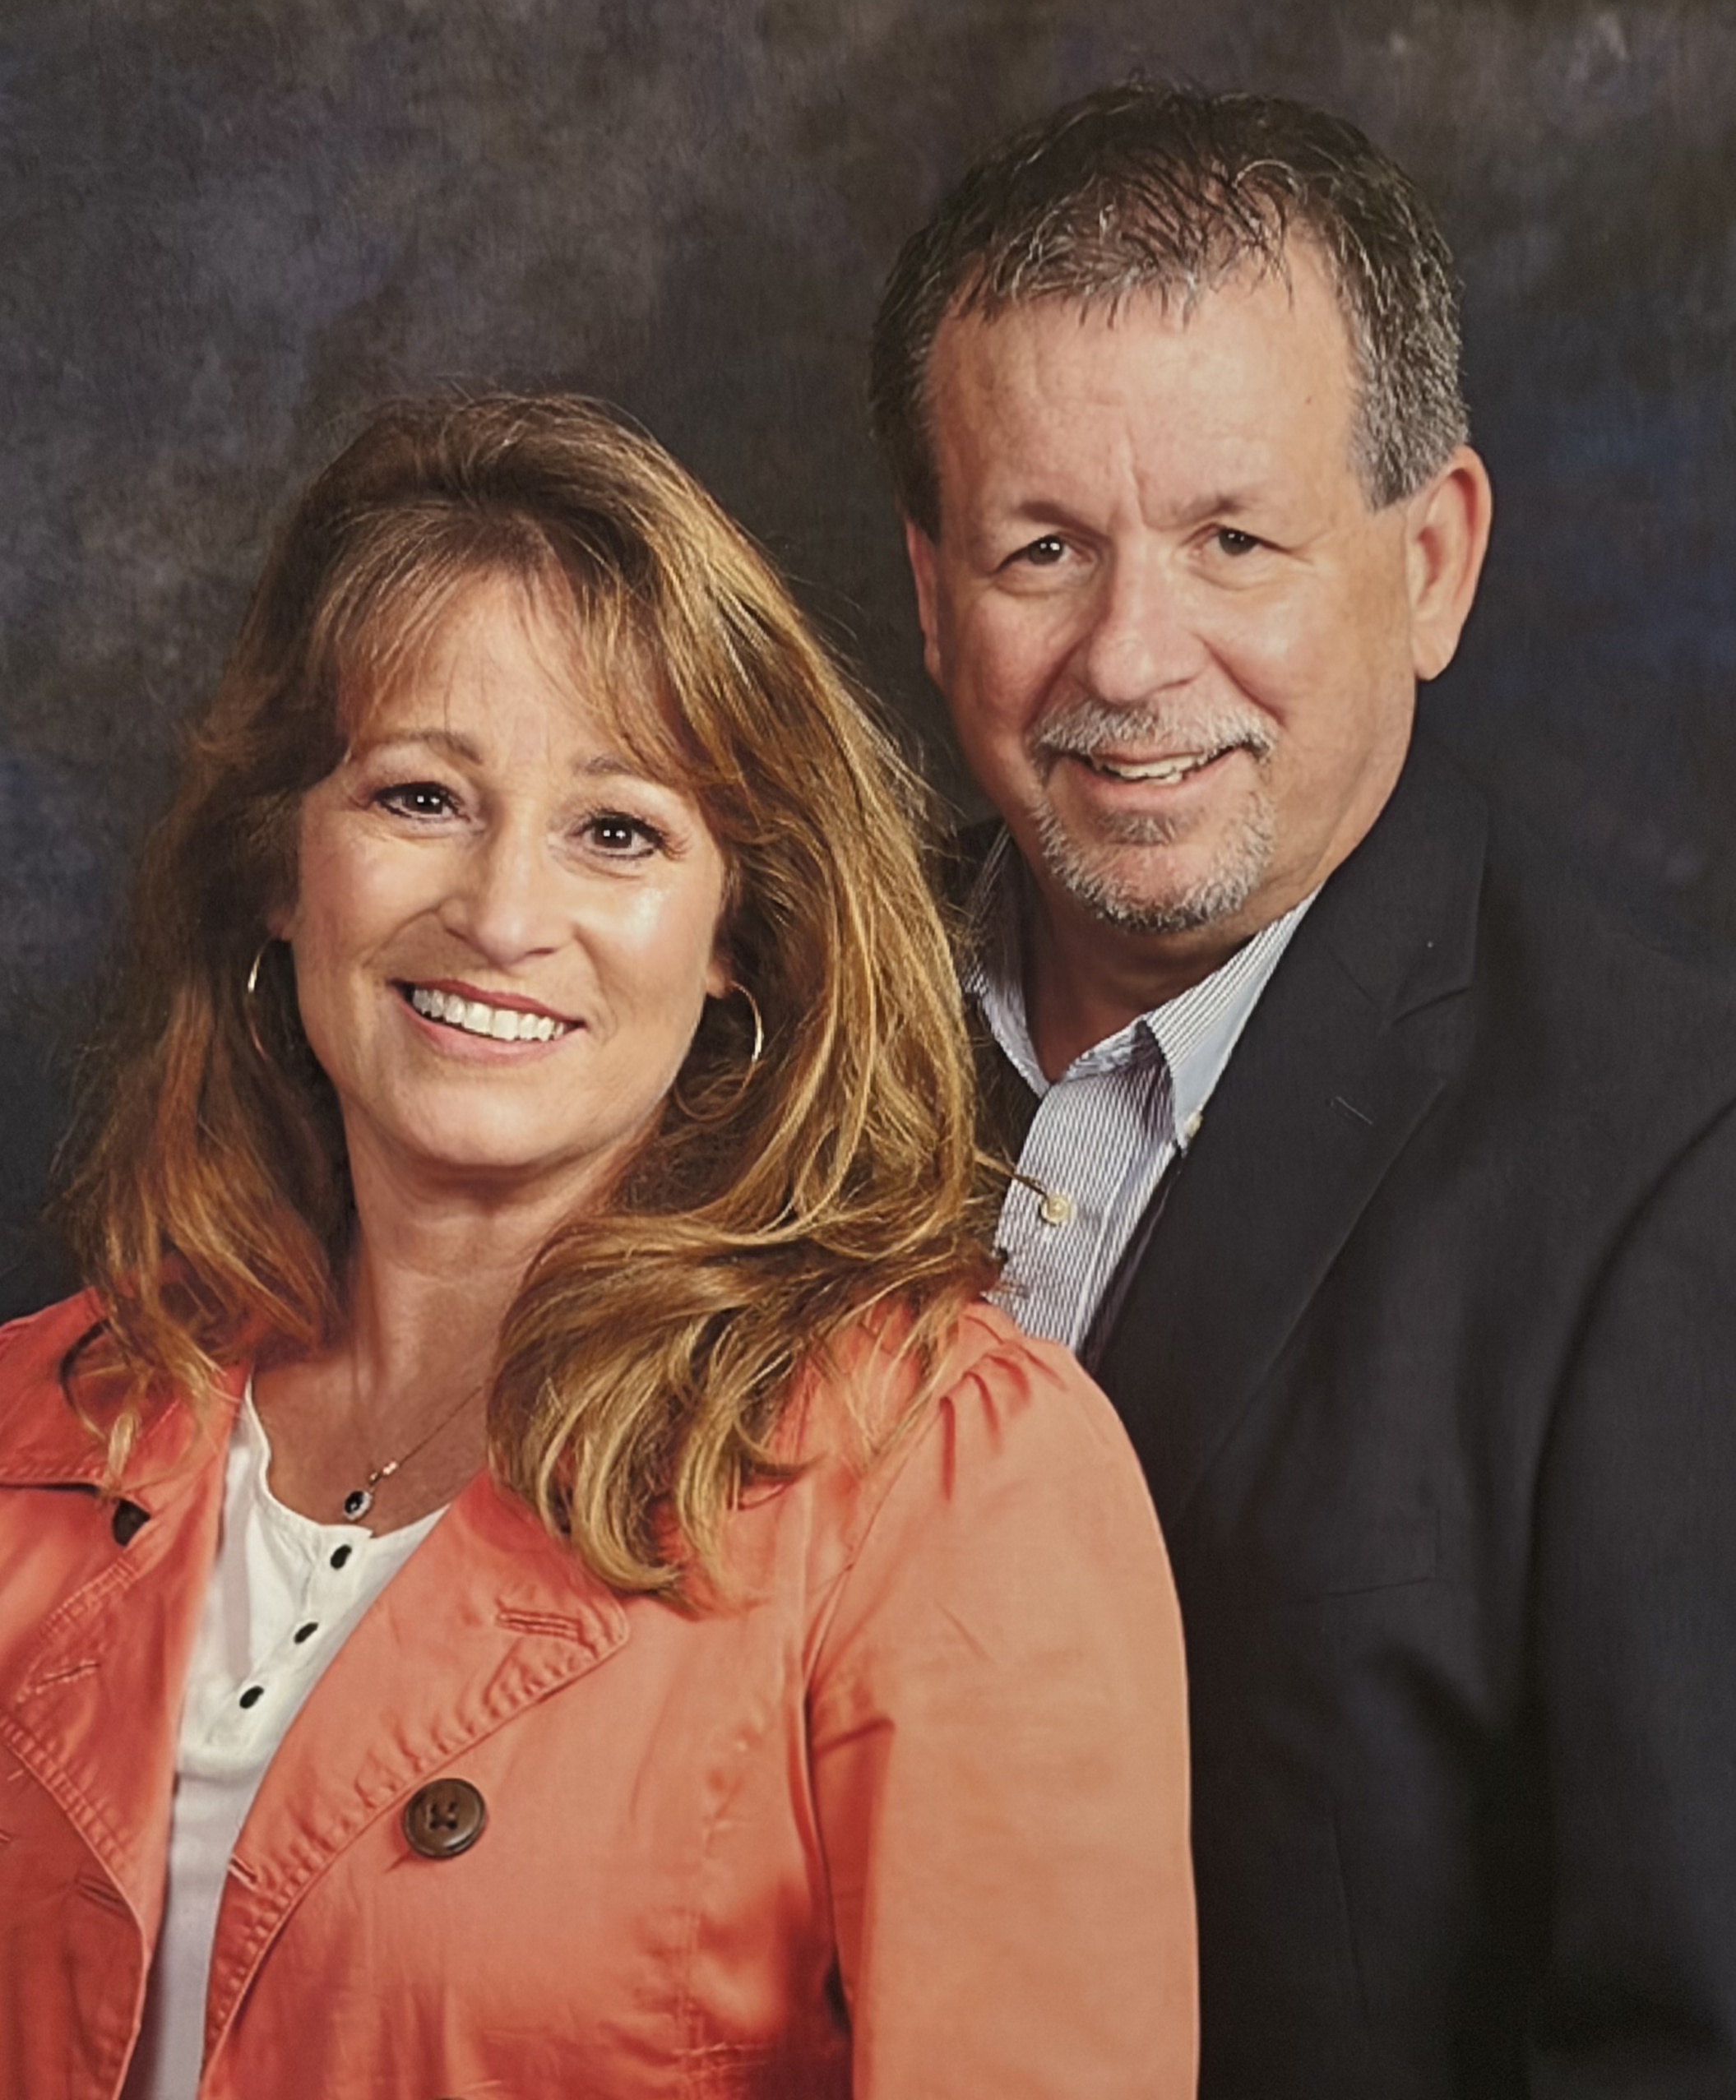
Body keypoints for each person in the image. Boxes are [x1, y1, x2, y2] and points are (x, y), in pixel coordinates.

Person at [0, 394, 1197, 2099]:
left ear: (735, 935)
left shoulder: (942, 1473)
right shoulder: (40, 1423)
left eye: (616, 829)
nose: (499, 912)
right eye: (419, 794)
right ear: (283, 868)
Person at [870, 81, 1736, 2098]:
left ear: (1427, 562)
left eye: (1230, 538)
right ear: (927, 590)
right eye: (1039, 548)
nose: (1130, 655)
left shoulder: (1669, 1174)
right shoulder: (737, 1029)